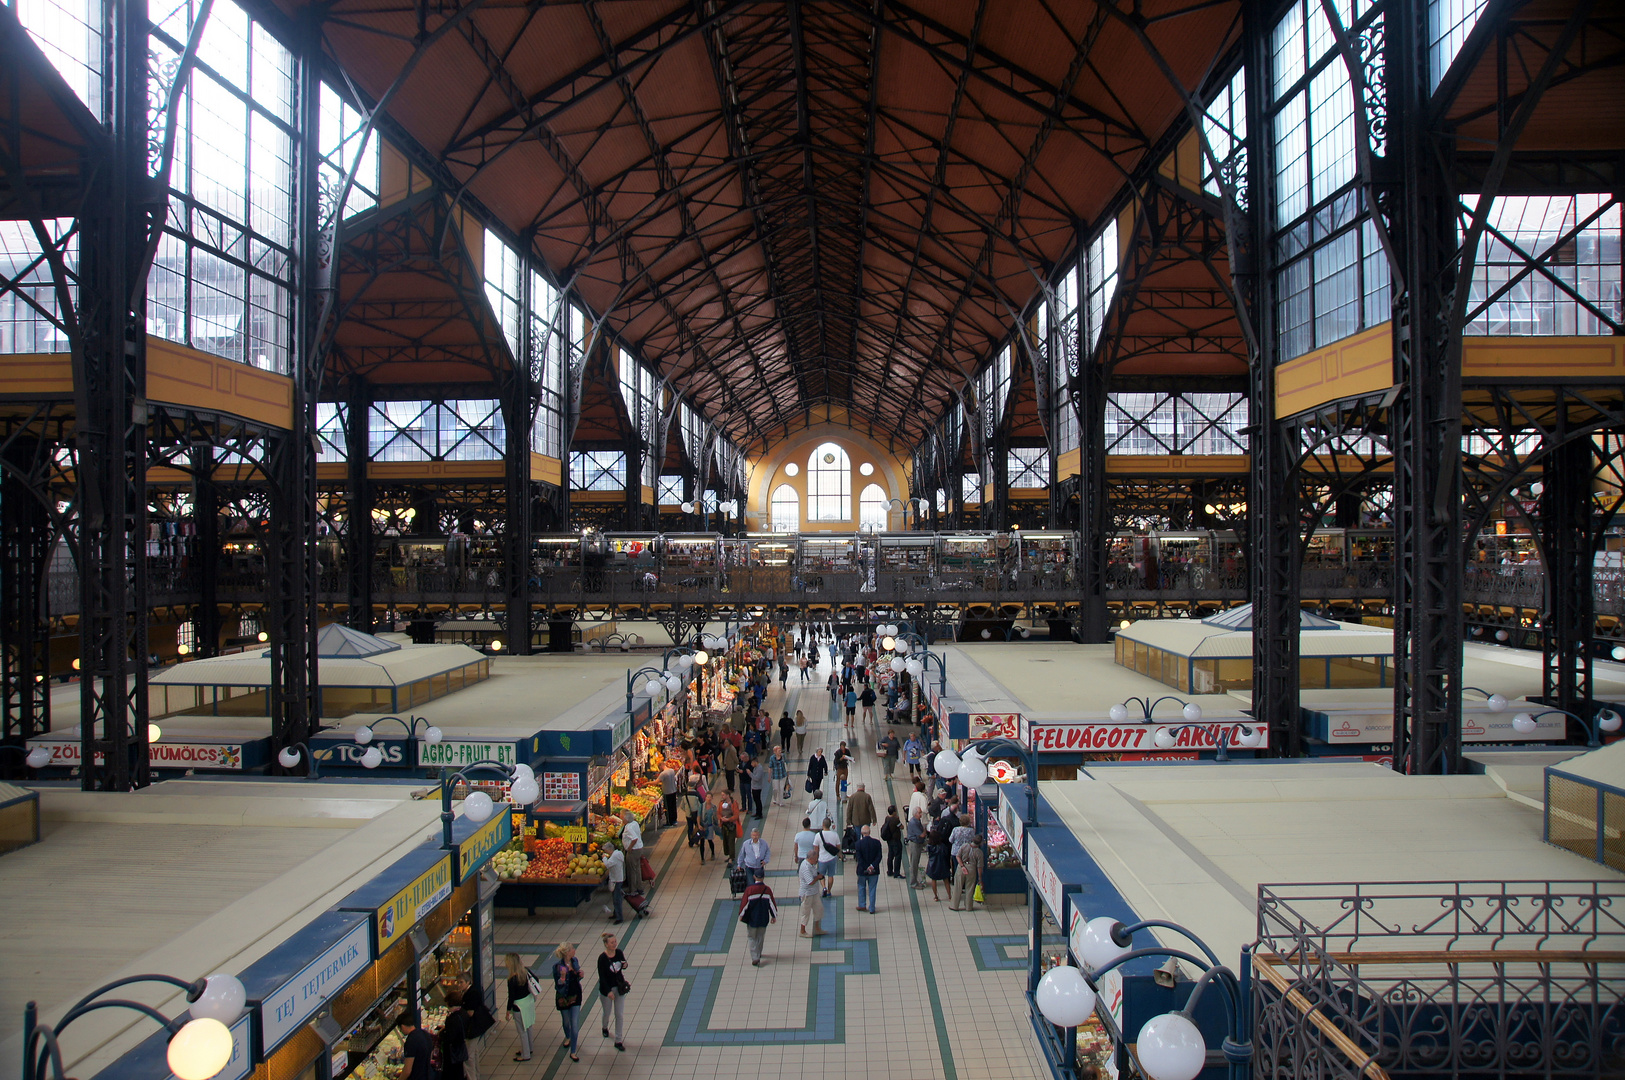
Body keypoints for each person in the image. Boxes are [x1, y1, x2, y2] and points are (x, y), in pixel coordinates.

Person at [597, 931, 630, 1052]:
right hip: (607, 989)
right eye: (611, 942)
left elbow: (622, 964)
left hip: (619, 988)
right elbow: (602, 977)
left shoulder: (619, 952)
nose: (614, 944)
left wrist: (625, 965)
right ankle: (605, 1027)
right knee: (607, 1012)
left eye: (615, 941)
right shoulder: (602, 958)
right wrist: (607, 992)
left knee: (619, 1014)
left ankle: (618, 1040)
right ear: (606, 944)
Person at [550, 943, 584, 1062]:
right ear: (567, 952)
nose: (574, 950)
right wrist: (562, 978)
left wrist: (580, 975)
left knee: (574, 1024)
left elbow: (576, 976)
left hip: (575, 996)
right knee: (566, 1022)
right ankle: (568, 1036)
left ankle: (573, 1051)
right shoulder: (557, 967)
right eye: (572, 949)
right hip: (564, 997)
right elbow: (558, 986)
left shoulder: (575, 961)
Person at [739, 868, 779, 965]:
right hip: (763, 918)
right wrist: (774, 916)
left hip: (752, 919)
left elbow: (744, 904)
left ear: (754, 877)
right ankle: (759, 953)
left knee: (751, 937)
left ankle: (755, 957)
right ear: (764, 877)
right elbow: (772, 904)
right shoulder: (767, 890)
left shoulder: (750, 890)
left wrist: (741, 915)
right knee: (760, 936)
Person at [504, 954, 535, 1062]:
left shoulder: (512, 979)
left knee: (522, 1031)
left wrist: (508, 1010)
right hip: (528, 1002)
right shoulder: (526, 971)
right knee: (529, 1026)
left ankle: (526, 1054)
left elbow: (511, 996)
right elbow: (536, 980)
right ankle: (529, 1048)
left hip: (519, 1007)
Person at [440, 991, 471, 1080]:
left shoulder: (452, 1019)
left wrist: (442, 1033)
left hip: (452, 1053)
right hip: (460, 1048)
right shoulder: (463, 1013)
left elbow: (449, 1038)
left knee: (451, 1073)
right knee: (459, 1071)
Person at [853, 824, 883, 912]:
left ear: (862, 833)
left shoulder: (858, 844)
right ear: (869, 832)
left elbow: (859, 858)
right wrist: (872, 866)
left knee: (861, 887)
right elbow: (879, 856)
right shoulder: (877, 843)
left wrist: (865, 867)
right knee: (872, 888)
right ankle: (872, 908)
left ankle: (862, 905)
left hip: (862, 871)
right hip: (874, 871)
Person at [951, 834, 985, 911]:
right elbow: (979, 867)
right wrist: (980, 878)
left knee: (958, 887)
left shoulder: (964, 846)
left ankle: (954, 906)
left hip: (961, 867)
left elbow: (958, 856)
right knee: (969, 888)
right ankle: (968, 907)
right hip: (972, 869)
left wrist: (962, 866)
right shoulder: (979, 852)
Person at [798, 848, 826, 937]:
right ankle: (802, 931)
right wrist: (818, 878)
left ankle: (817, 928)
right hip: (807, 894)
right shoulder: (805, 867)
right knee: (806, 912)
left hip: (814, 892)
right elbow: (810, 882)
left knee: (819, 909)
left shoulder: (812, 864)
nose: (817, 860)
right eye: (816, 858)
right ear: (811, 858)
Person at [926, 812, 954, 902]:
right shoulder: (942, 846)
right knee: (946, 880)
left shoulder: (929, 846)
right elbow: (947, 854)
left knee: (934, 880)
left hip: (933, 865)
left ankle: (935, 896)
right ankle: (949, 895)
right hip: (943, 865)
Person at [399, 1014, 434, 1080]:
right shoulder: (425, 1033)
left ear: (402, 1026)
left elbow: (407, 1071)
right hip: (428, 1075)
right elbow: (430, 1055)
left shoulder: (411, 1040)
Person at [601, 842, 626, 925]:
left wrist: (604, 858)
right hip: (618, 878)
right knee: (615, 898)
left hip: (616, 880)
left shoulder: (614, 856)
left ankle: (619, 918)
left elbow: (607, 865)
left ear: (609, 849)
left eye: (606, 851)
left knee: (617, 899)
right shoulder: (618, 854)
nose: (606, 852)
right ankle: (616, 914)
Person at [816, 817, 841, 897]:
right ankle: (829, 891)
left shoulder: (818, 835)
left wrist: (816, 858)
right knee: (831, 875)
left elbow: (816, 848)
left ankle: (824, 887)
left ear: (823, 825)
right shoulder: (835, 835)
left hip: (822, 859)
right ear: (830, 825)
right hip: (832, 858)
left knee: (821, 875)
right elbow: (838, 847)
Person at [620, 815, 643, 895]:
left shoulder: (628, 827)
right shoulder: (635, 823)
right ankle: (640, 887)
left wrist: (629, 848)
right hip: (639, 848)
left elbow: (634, 838)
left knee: (631, 870)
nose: (622, 820)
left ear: (626, 819)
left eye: (622, 818)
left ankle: (633, 890)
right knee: (637, 868)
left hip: (633, 850)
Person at [717, 788, 740, 867]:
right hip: (724, 825)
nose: (722, 796)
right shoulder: (721, 803)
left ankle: (731, 858)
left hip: (731, 825)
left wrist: (729, 819)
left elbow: (736, 815)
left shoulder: (734, 803)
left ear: (728, 795)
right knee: (726, 841)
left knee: (731, 841)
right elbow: (718, 812)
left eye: (723, 795)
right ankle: (729, 855)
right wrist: (721, 818)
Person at [880, 805, 904, 878]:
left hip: (889, 840)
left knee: (890, 855)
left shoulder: (887, 818)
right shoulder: (895, 820)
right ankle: (897, 872)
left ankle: (890, 871)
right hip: (896, 840)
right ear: (893, 812)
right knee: (897, 856)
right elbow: (902, 827)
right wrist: (898, 819)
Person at [907, 807, 928, 888]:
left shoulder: (917, 821)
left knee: (915, 863)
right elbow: (922, 835)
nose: (921, 814)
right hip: (915, 844)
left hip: (917, 843)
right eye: (919, 813)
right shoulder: (914, 823)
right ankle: (913, 883)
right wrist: (925, 830)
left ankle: (915, 880)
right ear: (915, 814)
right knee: (914, 864)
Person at [696, 792, 718, 863]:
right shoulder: (702, 806)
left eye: (710, 797)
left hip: (710, 826)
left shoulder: (714, 807)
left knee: (710, 840)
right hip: (702, 826)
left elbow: (715, 817)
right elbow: (699, 816)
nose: (708, 799)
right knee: (702, 842)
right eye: (707, 797)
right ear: (705, 798)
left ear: (712, 798)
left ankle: (713, 853)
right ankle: (702, 858)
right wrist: (699, 824)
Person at [658, 763, 680, 827]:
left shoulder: (663, 774)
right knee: (673, 807)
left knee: (668, 808)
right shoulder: (672, 770)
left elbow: (656, 782)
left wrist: (647, 783)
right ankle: (674, 820)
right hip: (673, 790)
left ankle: (669, 822)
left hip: (667, 792)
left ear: (661, 766)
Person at [749, 754, 769, 819]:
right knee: (756, 800)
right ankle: (757, 812)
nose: (751, 764)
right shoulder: (755, 768)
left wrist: (750, 773)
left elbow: (757, 778)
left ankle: (760, 814)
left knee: (758, 801)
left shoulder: (759, 769)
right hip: (754, 787)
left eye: (752, 763)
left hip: (757, 787)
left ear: (755, 762)